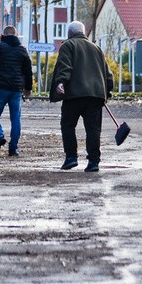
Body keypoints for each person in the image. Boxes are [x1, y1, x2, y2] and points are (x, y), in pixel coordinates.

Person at [49, 20, 114, 172]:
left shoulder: (68, 45)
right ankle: (93, 162)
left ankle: (71, 158)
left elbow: (65, 65)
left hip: (74, 94)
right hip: (96, 96)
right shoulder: (96, 48)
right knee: (93, 129)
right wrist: (107, 92)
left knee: (68, 125)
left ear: (70, 33)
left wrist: (61, 82)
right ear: (84, 33)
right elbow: (108, 74)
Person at [0, 25, 33, 157]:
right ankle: (13, 148)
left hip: (0, 88)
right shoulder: (22, 50)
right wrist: (28, 88)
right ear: (16, 36)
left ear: (3, 35)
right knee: (15, 118)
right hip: (16, 89)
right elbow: (28, 71)